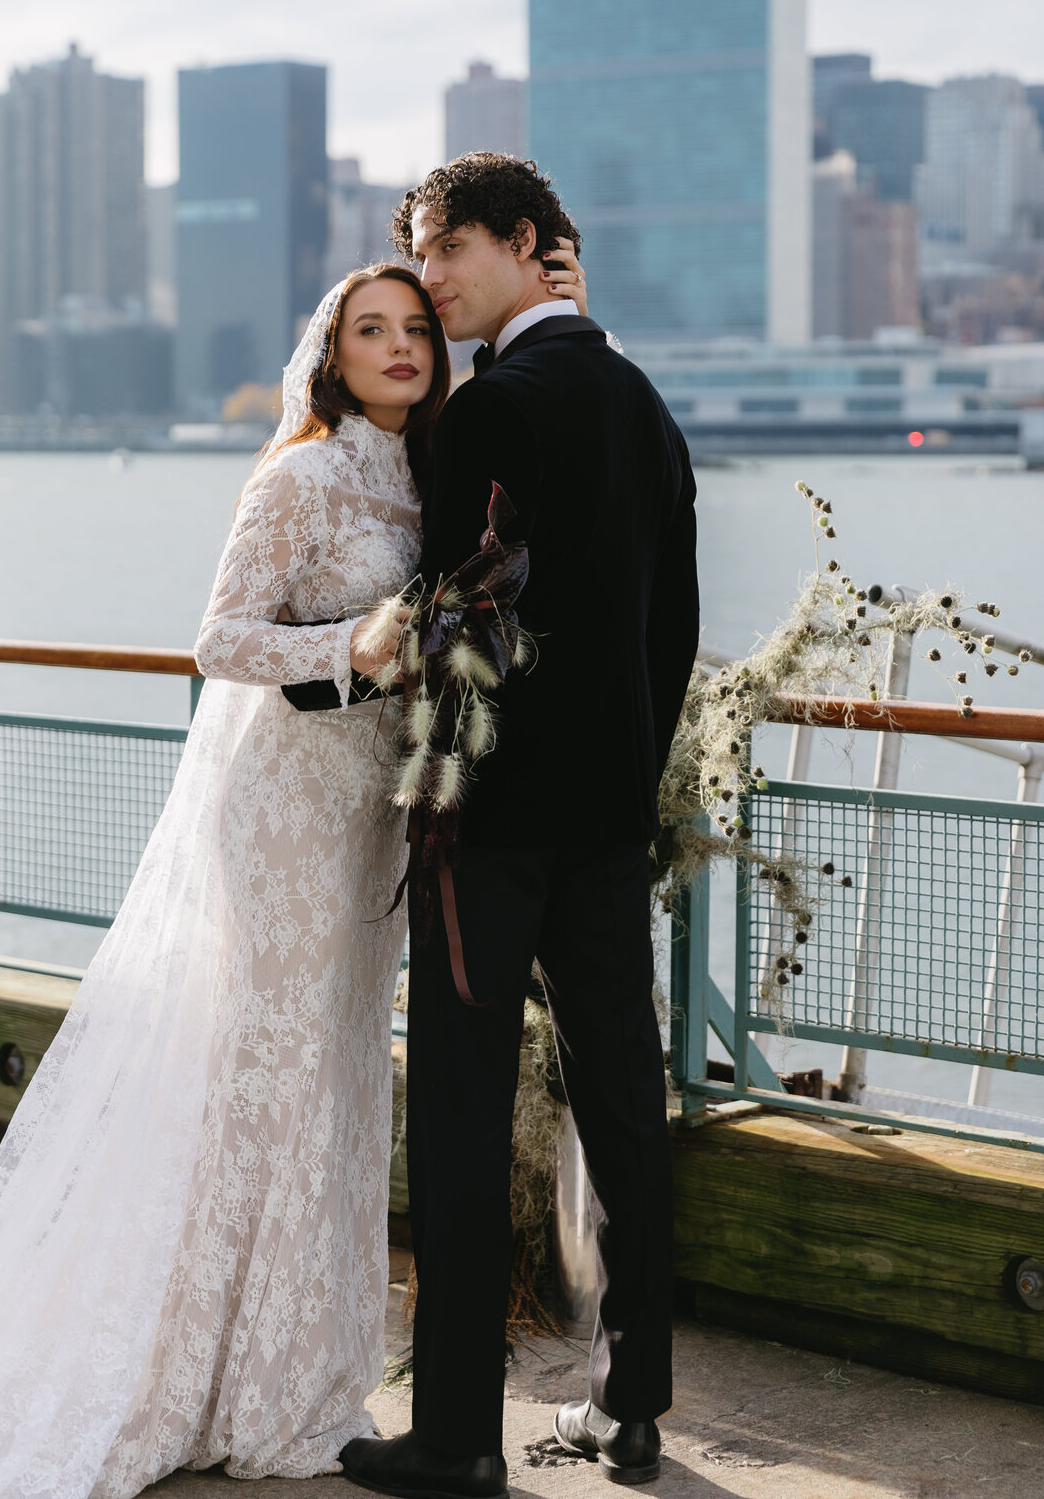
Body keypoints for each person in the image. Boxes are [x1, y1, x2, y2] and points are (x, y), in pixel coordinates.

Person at [0, 264, 497, 1499]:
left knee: (334, 1075)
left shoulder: (424, 477)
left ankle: (292, 1366)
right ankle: (201, 1373)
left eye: (417, 329)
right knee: (264, 1074)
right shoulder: (301, 473)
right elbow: (219, 639)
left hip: (368, 815)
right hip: (283, 812)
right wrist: (349, 647)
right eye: (374, 331)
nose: (403, 347)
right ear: (333, 356)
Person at [339, 155, 700, 1499]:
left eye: (445, 250)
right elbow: (673, 634)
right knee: (622, 1108)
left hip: (487, 835)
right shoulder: (647, 406)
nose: (430, 280)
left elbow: (451, 624)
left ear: (527, 244)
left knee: (463, 1117)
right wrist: (624, 778)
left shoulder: (495, 411)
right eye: (420, 256)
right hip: (608, 827)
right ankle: (632, 1410)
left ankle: (453, 1444)